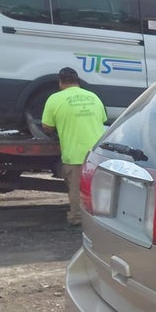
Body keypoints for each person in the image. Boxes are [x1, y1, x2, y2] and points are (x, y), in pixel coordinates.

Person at [41, 67, 107, 227]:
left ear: (60, 83)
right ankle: (102, 219)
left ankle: (77, 218)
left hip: (74, 153)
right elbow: (103, 119)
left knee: (77, 188)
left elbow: (46, 126)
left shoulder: (55, 98)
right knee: (98, 187)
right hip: (98, 153)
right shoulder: (94, 96)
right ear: (78, 82)